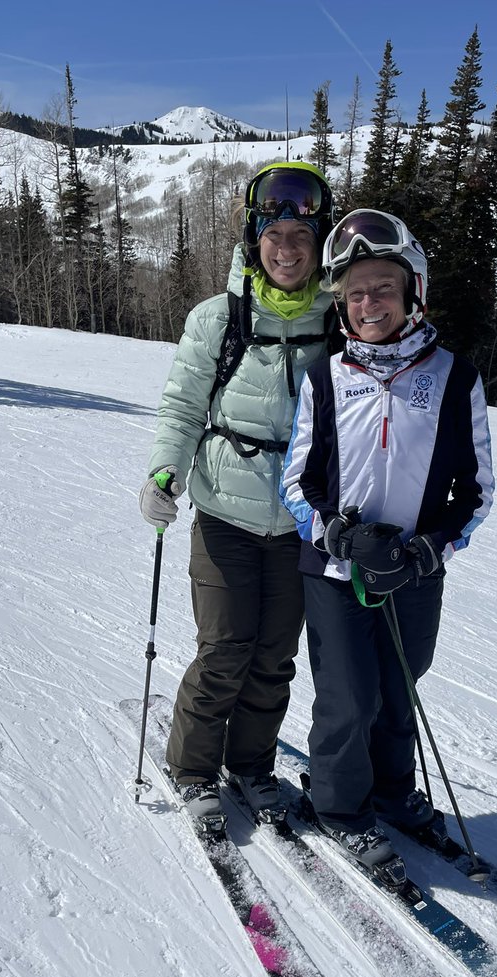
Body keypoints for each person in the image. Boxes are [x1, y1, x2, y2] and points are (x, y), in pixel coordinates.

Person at [281, 209, 495, 880]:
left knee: (402, 686)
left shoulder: (455, 379)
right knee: (349, 693)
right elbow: (295, 481)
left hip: (414, 574)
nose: (369, 303)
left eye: (383, 288)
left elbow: (479, 488)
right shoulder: (325, 376)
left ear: (412, 294)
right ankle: (340, 808)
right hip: (336, 570)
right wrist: (339, 534)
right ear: (341, 302)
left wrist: (431, 549)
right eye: (356, 292)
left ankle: (391, 791)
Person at [139, 162, 338, 830]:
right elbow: (181, 406)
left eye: (301, 238)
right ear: (255, 239)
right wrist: (164, 472)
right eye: (274, 233)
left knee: (273, 659)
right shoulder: (216, 320)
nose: (286, 248)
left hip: (298, 524)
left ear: (319, 244)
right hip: (224, 512)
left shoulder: (336, 326)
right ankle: (193, 768)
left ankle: (250, 766)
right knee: (224, 650)